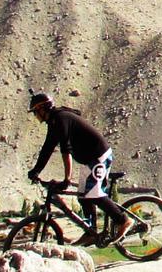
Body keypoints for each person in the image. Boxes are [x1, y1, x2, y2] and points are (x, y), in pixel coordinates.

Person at [27, 90, 132, 244]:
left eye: (35, 112)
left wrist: (67, 178)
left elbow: (65, 150)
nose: (35, 116)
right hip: (89, 160)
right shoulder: (54, 123)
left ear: (43, 109)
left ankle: (123, 220)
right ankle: (91, 231)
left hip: (99, 156)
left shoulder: (61, 119)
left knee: (94, 193)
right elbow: (47, 149)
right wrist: (35, 170)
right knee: (82, 195)